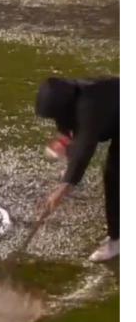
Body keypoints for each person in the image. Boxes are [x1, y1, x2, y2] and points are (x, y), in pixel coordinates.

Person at [35, 76, 119, 262]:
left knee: (115, 176)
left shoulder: (89, 106)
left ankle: (118, 241)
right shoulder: (69, 97)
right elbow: (71, 133)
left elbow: (84, 148)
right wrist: (65, 153)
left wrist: (63, 187)